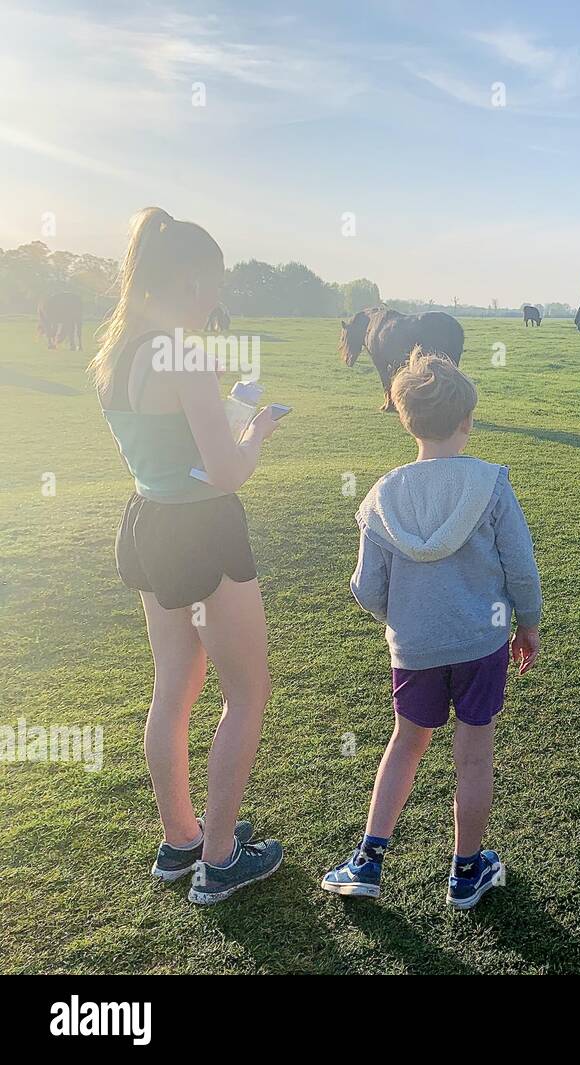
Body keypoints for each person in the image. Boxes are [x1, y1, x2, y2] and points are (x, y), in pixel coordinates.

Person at [90, 208, 283, 905]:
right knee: (246, 692)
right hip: (202, 530)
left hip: (149, 524)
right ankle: (222, 857)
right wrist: (257, 427)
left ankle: (182, 839)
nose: (217, 299)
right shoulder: (186, 353)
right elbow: (227, 471)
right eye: (214, 284)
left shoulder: (117, 352)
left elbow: (172, 449)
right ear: (191, 279)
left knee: (173, 687)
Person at [322, 349, 542, 909]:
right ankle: (467, 871)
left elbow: (365, 586)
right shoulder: (490, 484)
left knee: (405, 745)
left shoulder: (382, 495)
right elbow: (520, 565)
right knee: (473, 754)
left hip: (413, 650)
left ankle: (368, 860)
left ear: (405, 418)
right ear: (467, 420)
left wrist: (405, 623)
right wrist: (528, 623)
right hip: (480, 644)